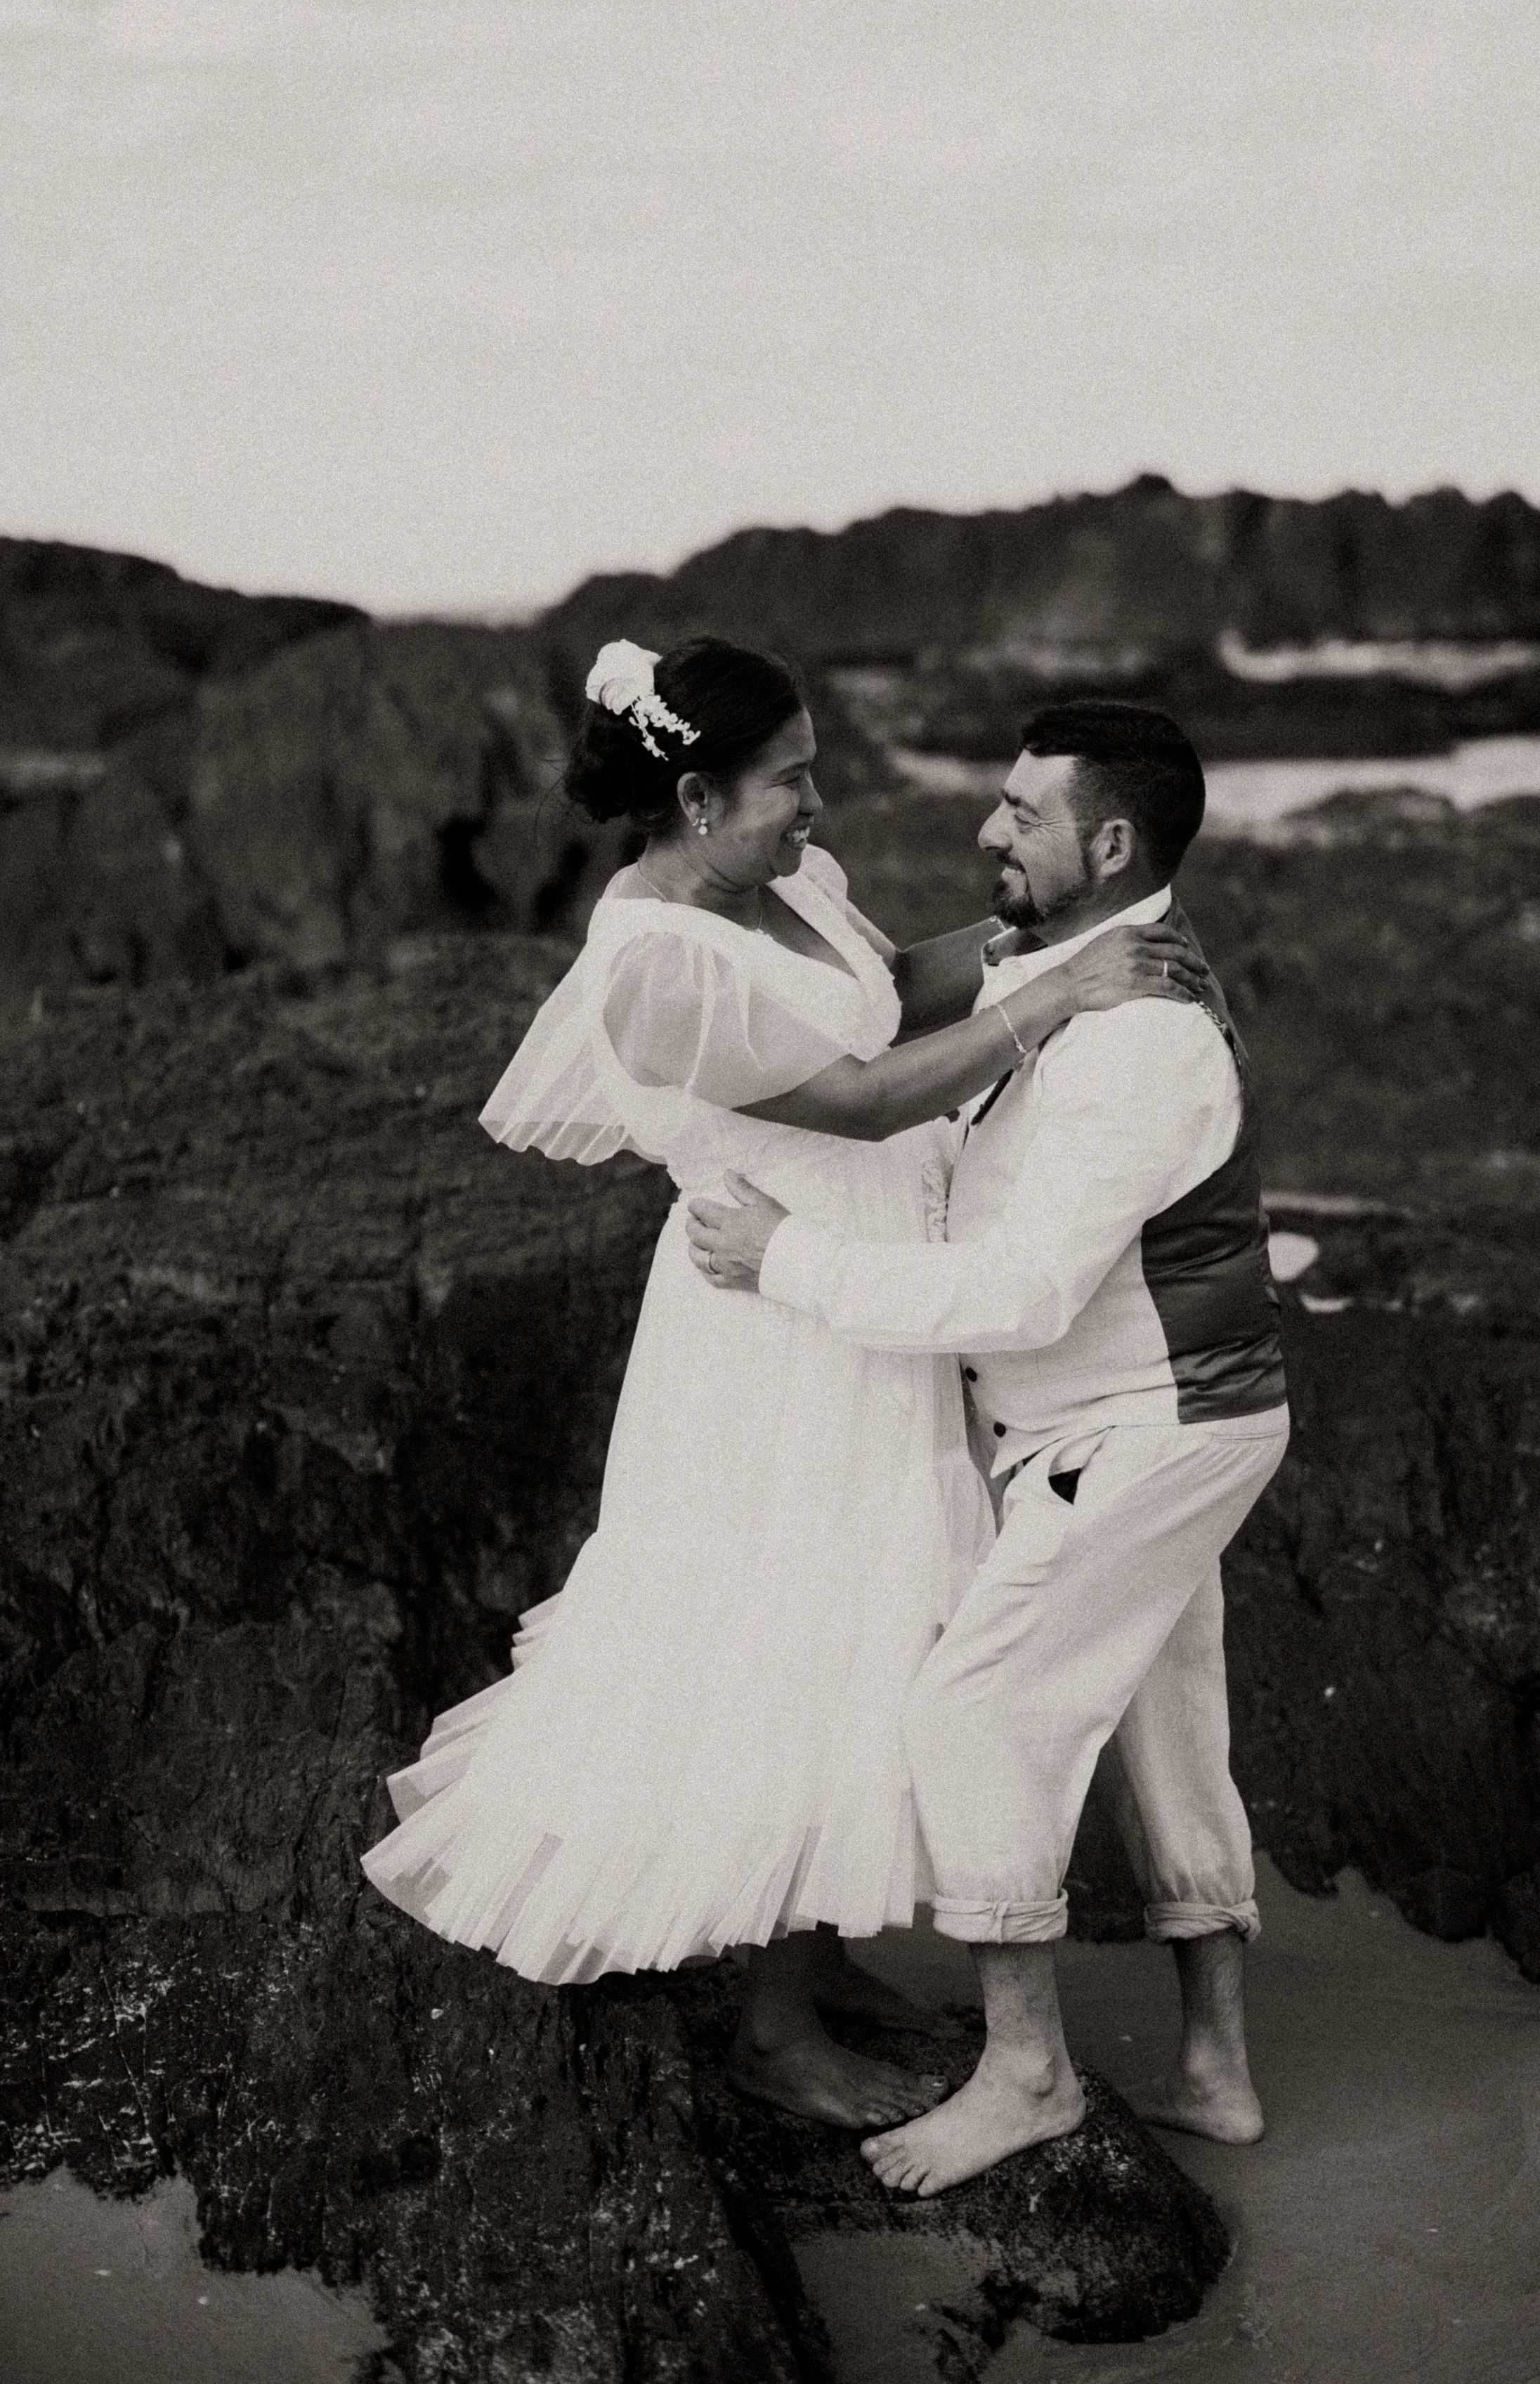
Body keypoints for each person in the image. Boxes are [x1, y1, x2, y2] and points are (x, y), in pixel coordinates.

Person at [361, 637, 1202, 2133]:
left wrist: (1020, 953)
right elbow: (870, 1100)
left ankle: (796, 1978)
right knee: (786, 1643)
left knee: (865, 1646)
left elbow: (882, 995)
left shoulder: (779, 886)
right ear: (693, 796)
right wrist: (1064, 992)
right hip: (771, 1335)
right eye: (791, 780)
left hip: (864, 1304)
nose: (820, 803)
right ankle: (771, 2029)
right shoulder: (652, 970)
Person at [686, 698, 1290, 2195]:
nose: (982, 832)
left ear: (1106, 843)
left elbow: (1020, 1295)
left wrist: (783, 1263)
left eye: (1018, 815)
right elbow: (898, 1000)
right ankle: (1213, 2071)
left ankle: (1026, 2075)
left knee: (969, 1710)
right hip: (1163, 1417)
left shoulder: (1139, 1039)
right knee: (1163, 1725)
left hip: (1140, 1427)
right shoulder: (1072, 968)